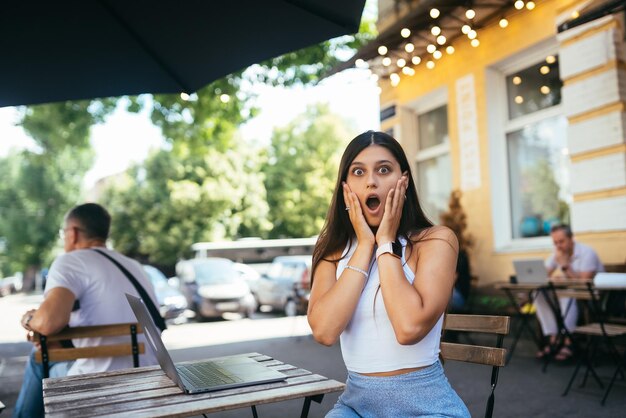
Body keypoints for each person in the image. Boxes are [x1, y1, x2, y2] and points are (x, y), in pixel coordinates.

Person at [307, 131, 469, 417]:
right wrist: (365, 245)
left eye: (384, 169)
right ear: (345, 187)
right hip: (355, 406)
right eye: (358, 172)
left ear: (403, 181)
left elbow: (409, 329)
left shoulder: (436, 241)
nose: (371, 180)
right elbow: (324, 331)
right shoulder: (332, 251)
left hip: (429, 408)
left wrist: (385, 243)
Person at [13, 203, 159, 418]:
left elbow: (47, 322)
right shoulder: (134, 266)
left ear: (72, 233)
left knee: (38, 359)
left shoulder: (70, 261)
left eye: (63, 233)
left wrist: (28, 319)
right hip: (148, 372)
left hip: (99, 379)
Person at [534, 224, 604, 361]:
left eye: (561, 241)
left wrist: (565, 267)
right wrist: (551, 278)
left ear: (571, 238)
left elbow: (585, 283)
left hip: (593, 296)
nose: (558, 246)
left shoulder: (587, 252)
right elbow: (542, 276)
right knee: (539, 294)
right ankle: (553, 337)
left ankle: (568, 342)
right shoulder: (558, 254)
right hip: (571, 293)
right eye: (555, 243)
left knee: (566, 294)